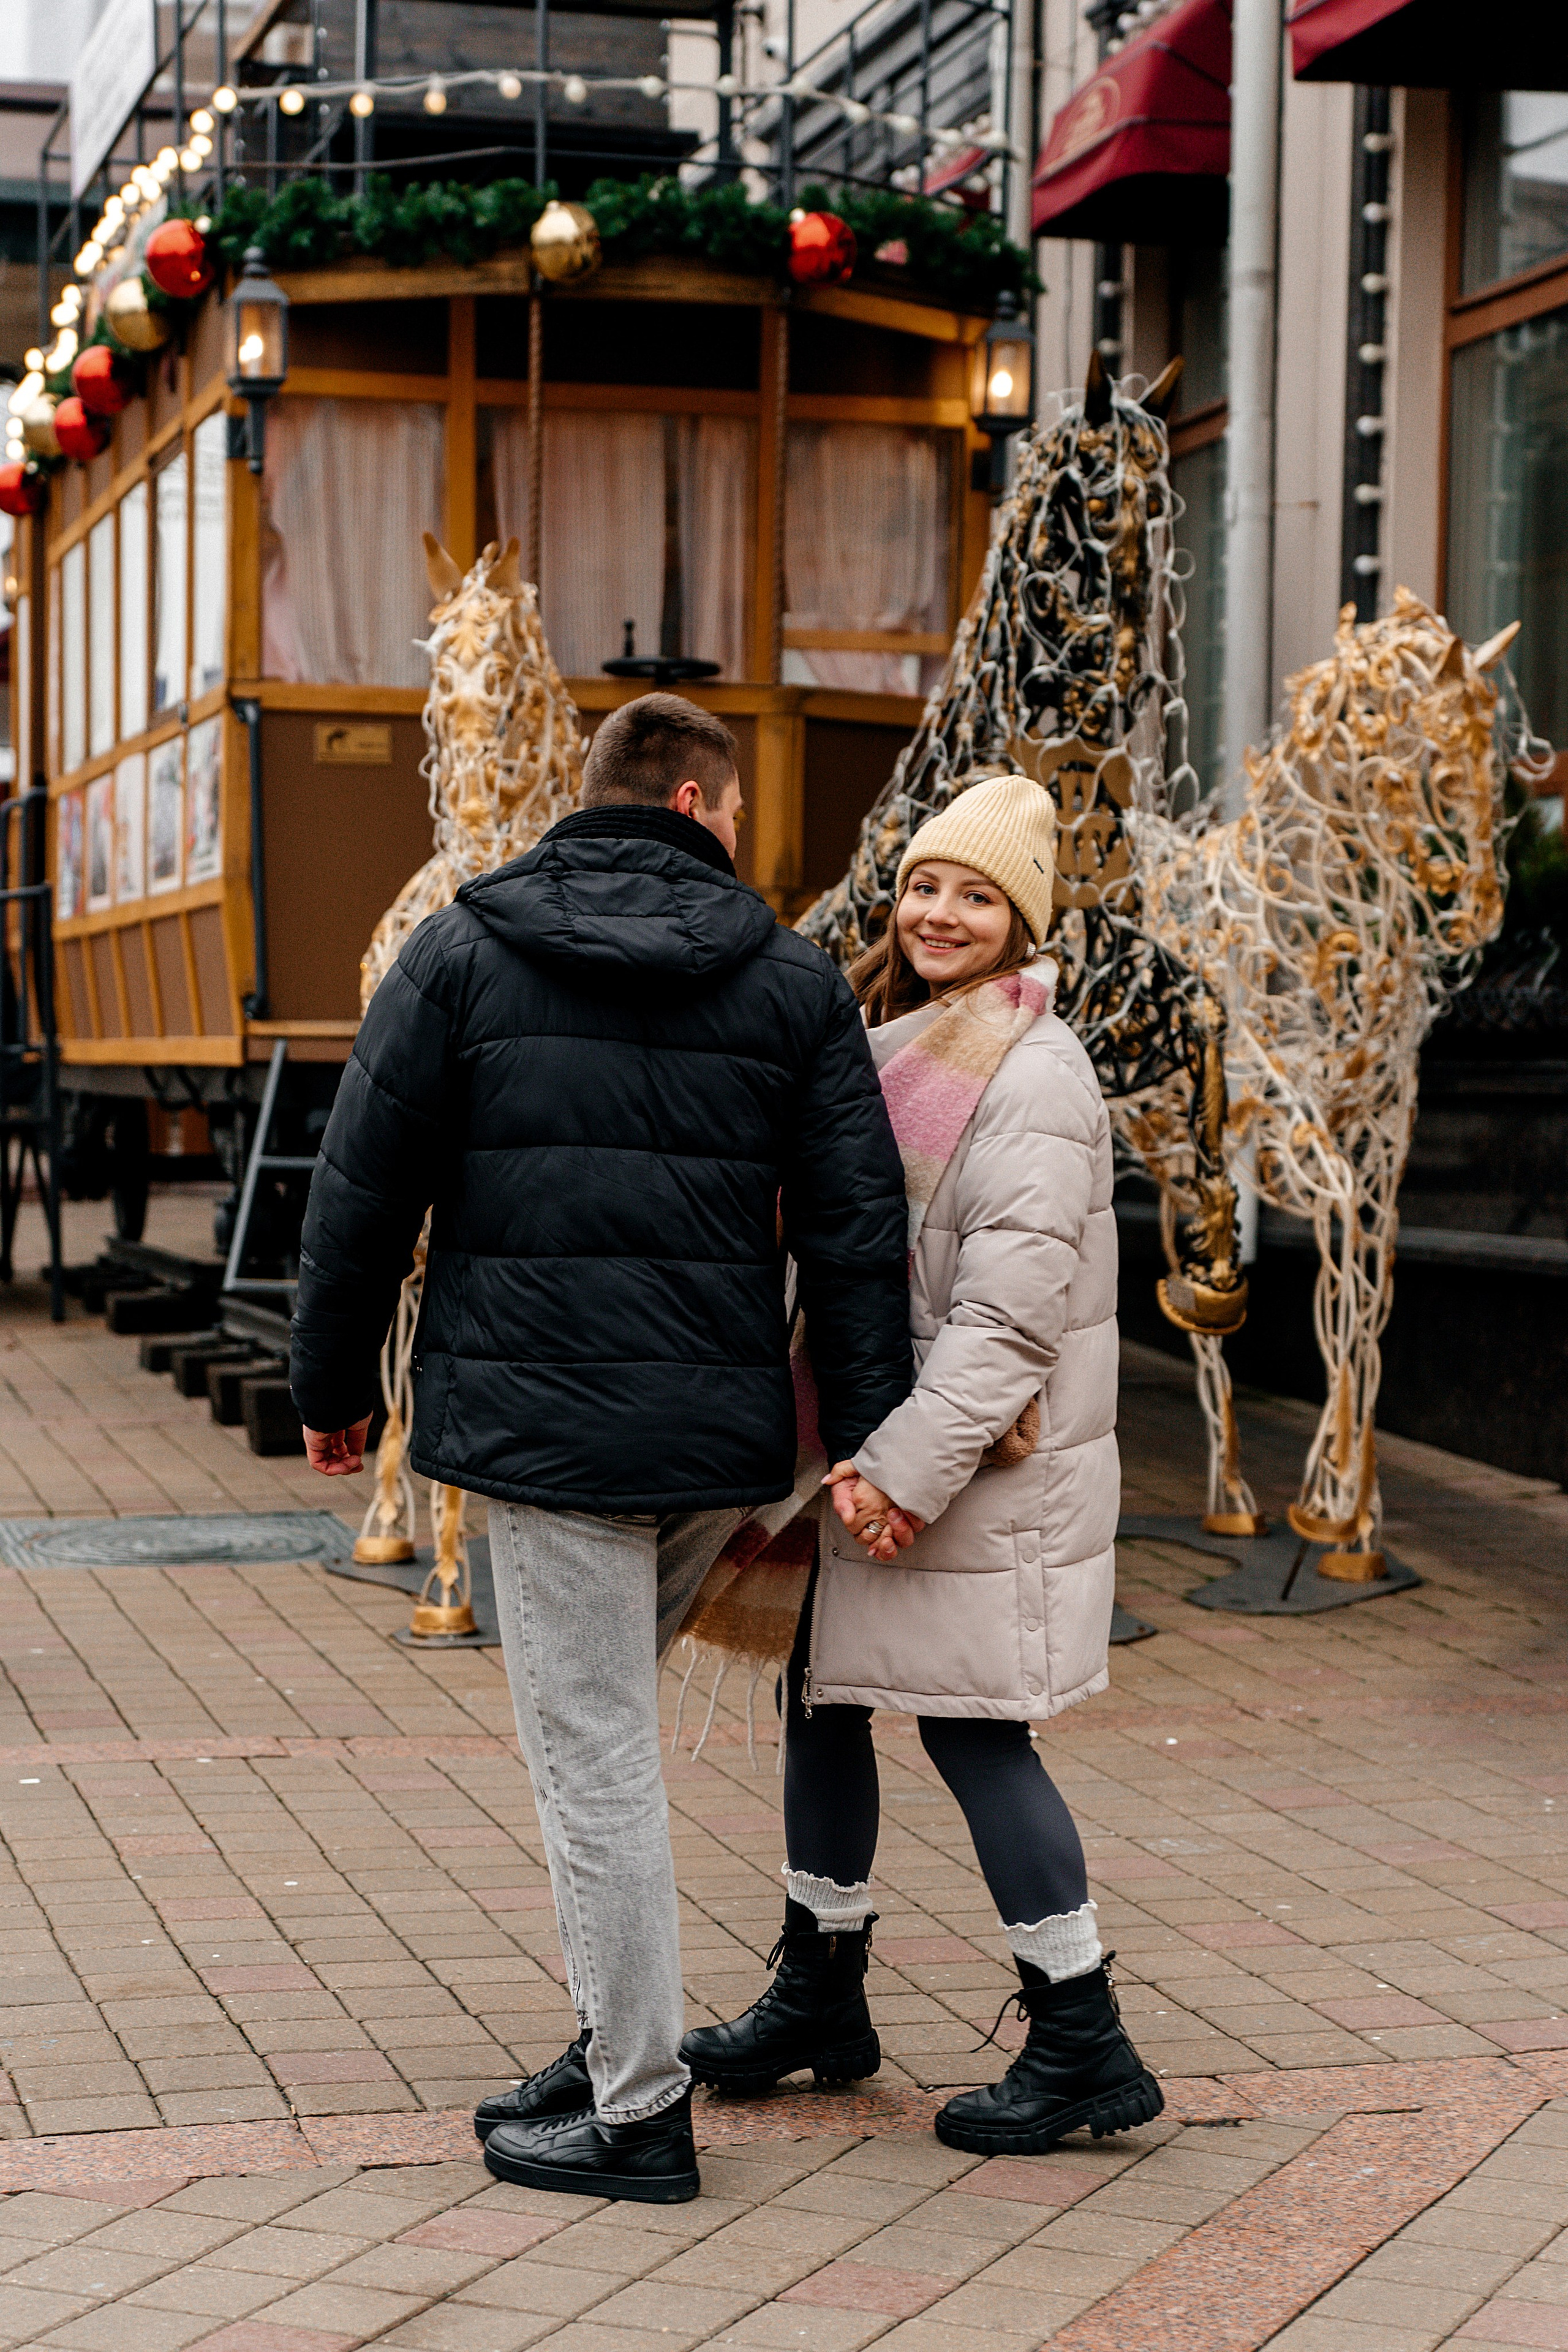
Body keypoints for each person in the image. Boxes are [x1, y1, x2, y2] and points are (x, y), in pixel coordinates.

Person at [291, 692, 911, 2204]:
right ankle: (606, 2036)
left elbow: (360, 1184)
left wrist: (331, 1385)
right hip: (712, 1440)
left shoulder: (457, 949)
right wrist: (874, 1435)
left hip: (541, 1432)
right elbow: (852, 1231)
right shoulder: (793, 981)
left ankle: (638, 2113)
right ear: (698, 805)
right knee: (600, 1744)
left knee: (590, 1765)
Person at [680, 772, 1163, 2155]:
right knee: (823, 1701)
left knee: (971, 1727)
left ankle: (1082, 2037)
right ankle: (821, 1996)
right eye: (924, 885)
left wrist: (898, 1469)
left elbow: (1005, 1320)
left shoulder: (1032, 1072)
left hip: (964, 1471)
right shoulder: (904, 1043)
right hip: (875, 1452)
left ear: (1021, 919)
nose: (939, 912)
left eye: (975, 893)